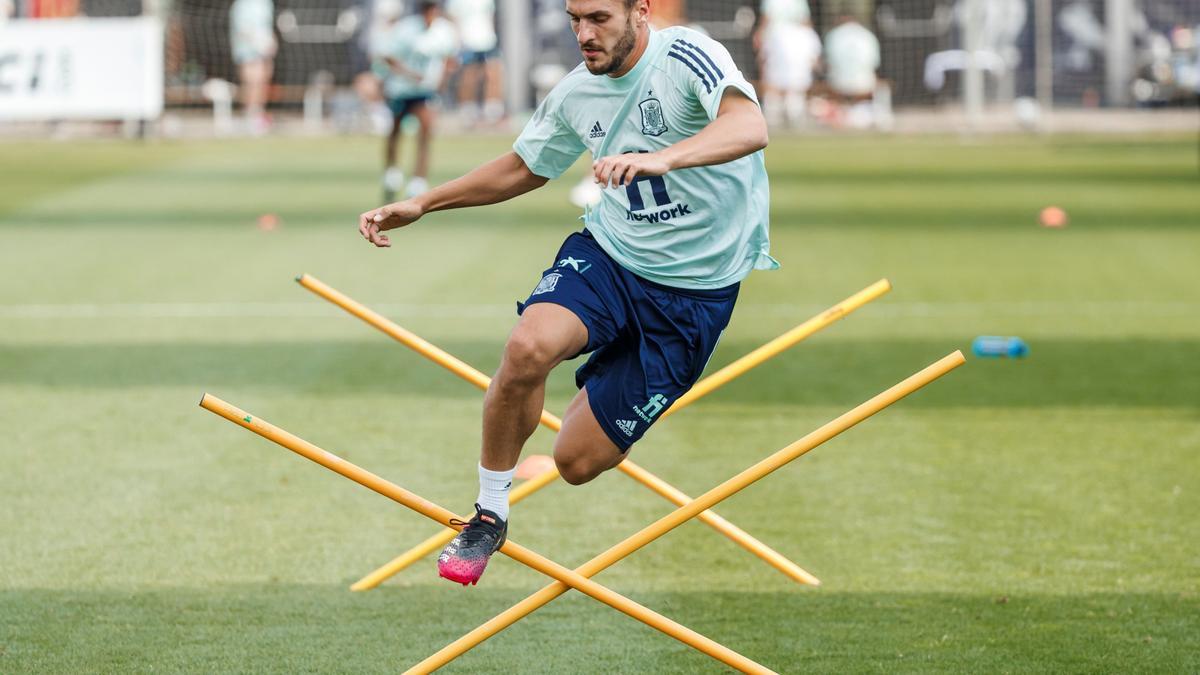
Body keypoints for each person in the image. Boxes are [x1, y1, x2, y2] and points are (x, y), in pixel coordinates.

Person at [357, 0, 776, 587]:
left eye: (599, 18)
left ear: (640, 11)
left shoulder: (689, 55)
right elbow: (524, 166)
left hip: (694, 294)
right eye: (575, 18)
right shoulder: (576, 91)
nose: (583, 33)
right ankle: (489, 514)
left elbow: (749, 126)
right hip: (611, 256)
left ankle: (611, 372)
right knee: (528, 346)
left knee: (575, 463)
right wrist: (424, 203)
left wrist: (662, 160)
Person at [374, 0, 459, 201]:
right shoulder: (405, 29)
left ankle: (418, 181)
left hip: (425, 91)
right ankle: (391, 172)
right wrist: (410, 73)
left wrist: (443, 79)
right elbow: (388, 57)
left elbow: (450, 58)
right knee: (395, 131)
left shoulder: (444, 31)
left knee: (426, 132)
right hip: (401, 89)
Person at [754, 0, 821, 127]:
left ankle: (772, 121)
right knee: (795, 85)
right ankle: (794, 120)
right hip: (796, 41)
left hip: (776, 39)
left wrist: (760, 37)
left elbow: (766, 19)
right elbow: (806, 21)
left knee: (773, 83)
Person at [445, 0, 505, 126]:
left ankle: (492, 111)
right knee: (468, 77)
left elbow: (490, 17)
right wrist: (457, 41)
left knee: (493, 74)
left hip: (488, 40)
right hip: (468, 42)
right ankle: (467, 111)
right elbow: (453, 19)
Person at [823, 13, 881, 128]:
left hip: (838, 83)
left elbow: (828, 64)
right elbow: (874, 63)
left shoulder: (833, 34)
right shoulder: (868, 35)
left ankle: (844, 116)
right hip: (864, 82)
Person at [229, 0, 277, 136]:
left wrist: (271, 42)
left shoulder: (266, 3)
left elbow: (267, 27)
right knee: (252, 83)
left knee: (262, 83)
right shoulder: (242, 5)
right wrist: (258, 42)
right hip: (247, 50)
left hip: (264, 51)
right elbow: (242, 29)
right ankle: (250, 117)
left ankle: (258, 114)